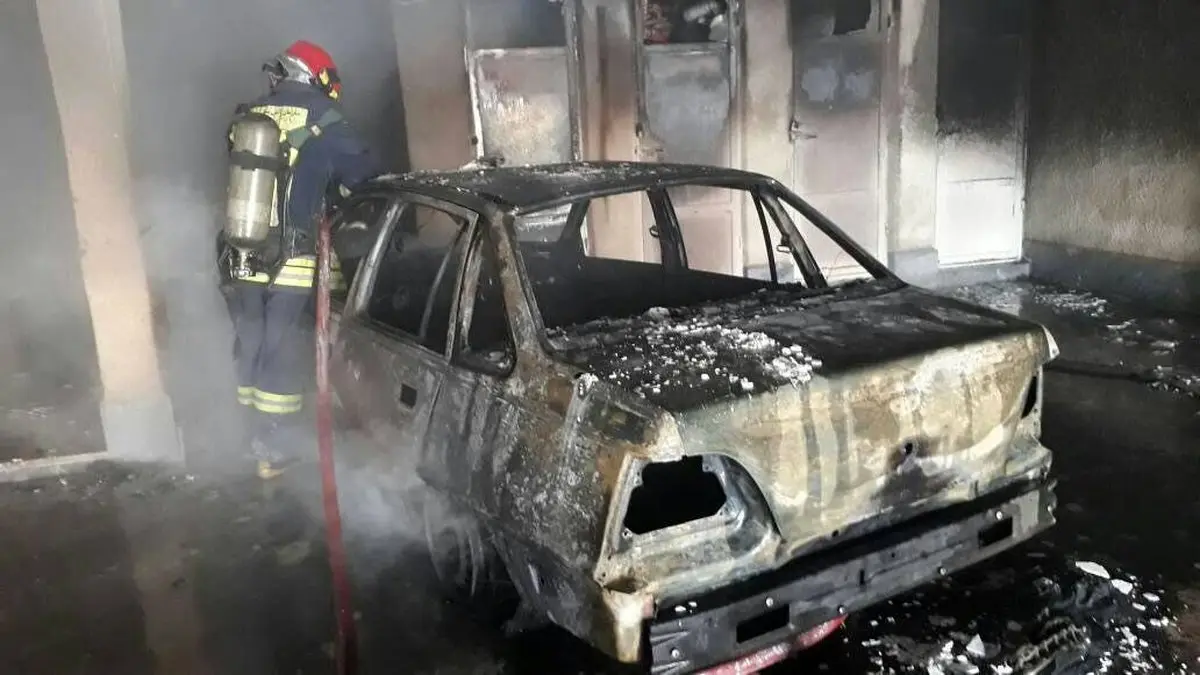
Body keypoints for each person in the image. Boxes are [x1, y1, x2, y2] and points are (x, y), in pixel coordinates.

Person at [219, 40, 381, 479]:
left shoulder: (249, 116)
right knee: (282, 347)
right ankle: (274, 448)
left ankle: (252, 437)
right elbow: (364, 175)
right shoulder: (324, 119)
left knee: (252, 342)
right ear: (315, 76)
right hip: (290, 258)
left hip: (242, 252)